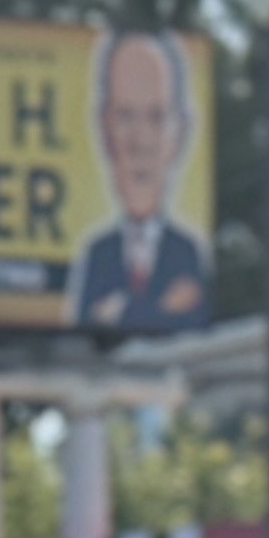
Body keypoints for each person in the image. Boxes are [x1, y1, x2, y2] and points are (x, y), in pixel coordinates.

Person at [71, 29, 211, 335]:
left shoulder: (187, 251)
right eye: (125, 117)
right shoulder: (98, 253)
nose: (141, 142)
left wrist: (121, 311)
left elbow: (191, 323)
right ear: (104, 130)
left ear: (181, 134)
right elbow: (85, 330)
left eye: (157, 117)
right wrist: (161, 308)